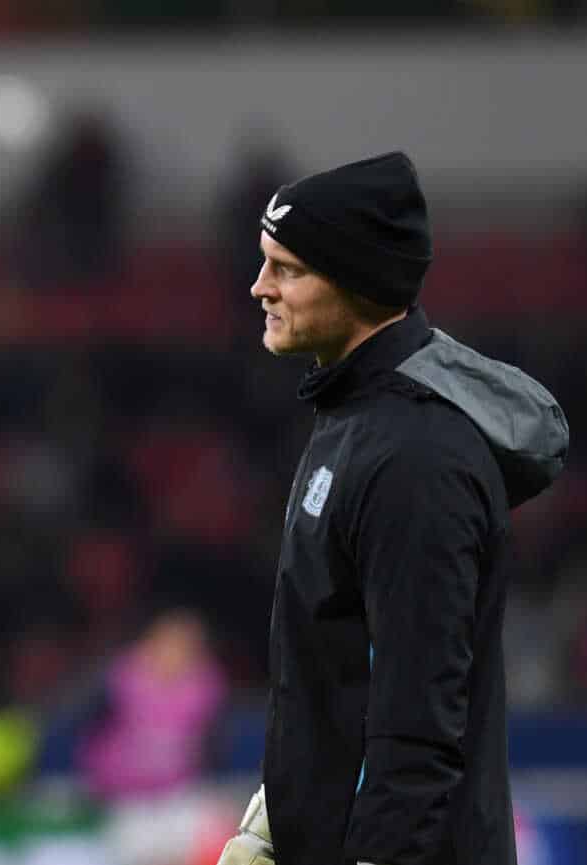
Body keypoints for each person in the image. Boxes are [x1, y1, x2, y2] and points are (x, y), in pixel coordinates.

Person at [217, 152, 569, 865]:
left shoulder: (416, 458)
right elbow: (339, 673)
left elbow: (416, 720)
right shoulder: (354, 418)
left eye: (286, 268)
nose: (259, 287)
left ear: (355, 279)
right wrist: (273, 818)